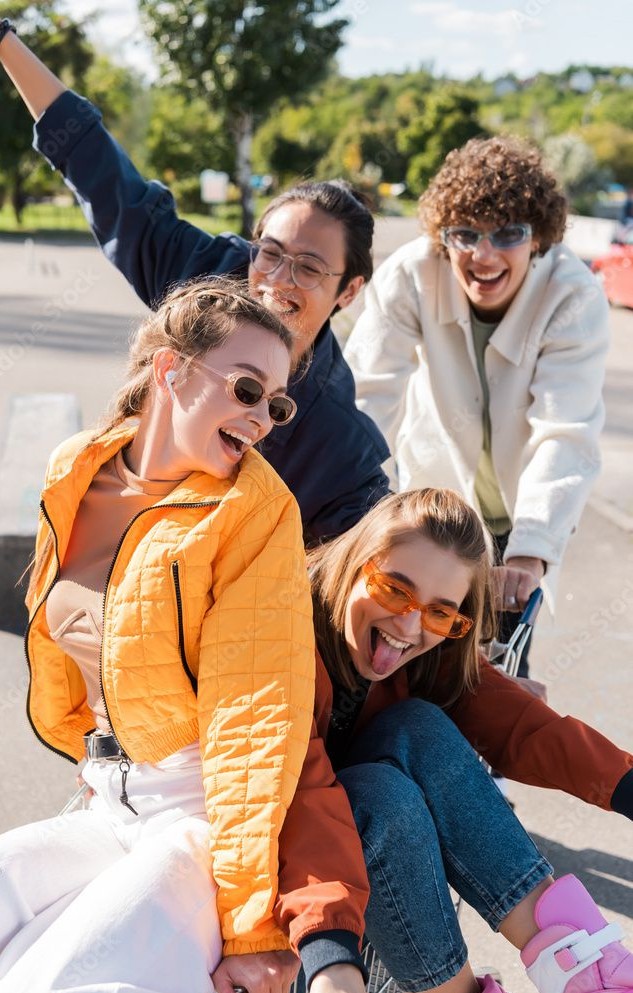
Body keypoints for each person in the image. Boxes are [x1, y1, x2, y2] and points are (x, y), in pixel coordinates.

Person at [0, 278, 370, 993]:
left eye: (276, 402)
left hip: (199, 809)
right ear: (171, 369)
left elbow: (252, 721)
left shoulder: (254, 513)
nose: (262, 418)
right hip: (109, 795)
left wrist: (247, 926)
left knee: (68, 976)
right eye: (245, 388)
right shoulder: (76, 469)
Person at [0, 22, 390, 546]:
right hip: (104, 543)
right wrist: (5, 40)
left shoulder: (336, 439)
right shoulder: (209, 278)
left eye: (309, 267)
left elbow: (377, 543)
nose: (276, 279)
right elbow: (110, 183)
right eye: (270, 253)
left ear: (349, 290)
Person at [307, 487, 633, 993]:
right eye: (394, 589)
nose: (410, 624)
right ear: (357, 559)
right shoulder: (279, 638)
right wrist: (327, 954)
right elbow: (298, 808)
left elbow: (518, 724)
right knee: (377, 794)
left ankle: (587, 973)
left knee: (419, 726)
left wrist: (627, 785)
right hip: (294, 908)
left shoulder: (430, 645)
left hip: (375, 893)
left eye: (440, 613)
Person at [344, 136, 610, 669]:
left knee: (495, 680)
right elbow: (367, 396)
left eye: (507, 234)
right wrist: (353, 516)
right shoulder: (412, 273)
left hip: (522, 515)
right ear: (443, 238)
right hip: (436, 509)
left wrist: (529, 553)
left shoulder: (572, 293)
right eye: (464, 235)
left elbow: (565, 428)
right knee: (407, 661)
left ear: (538, 238)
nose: (482, 255)